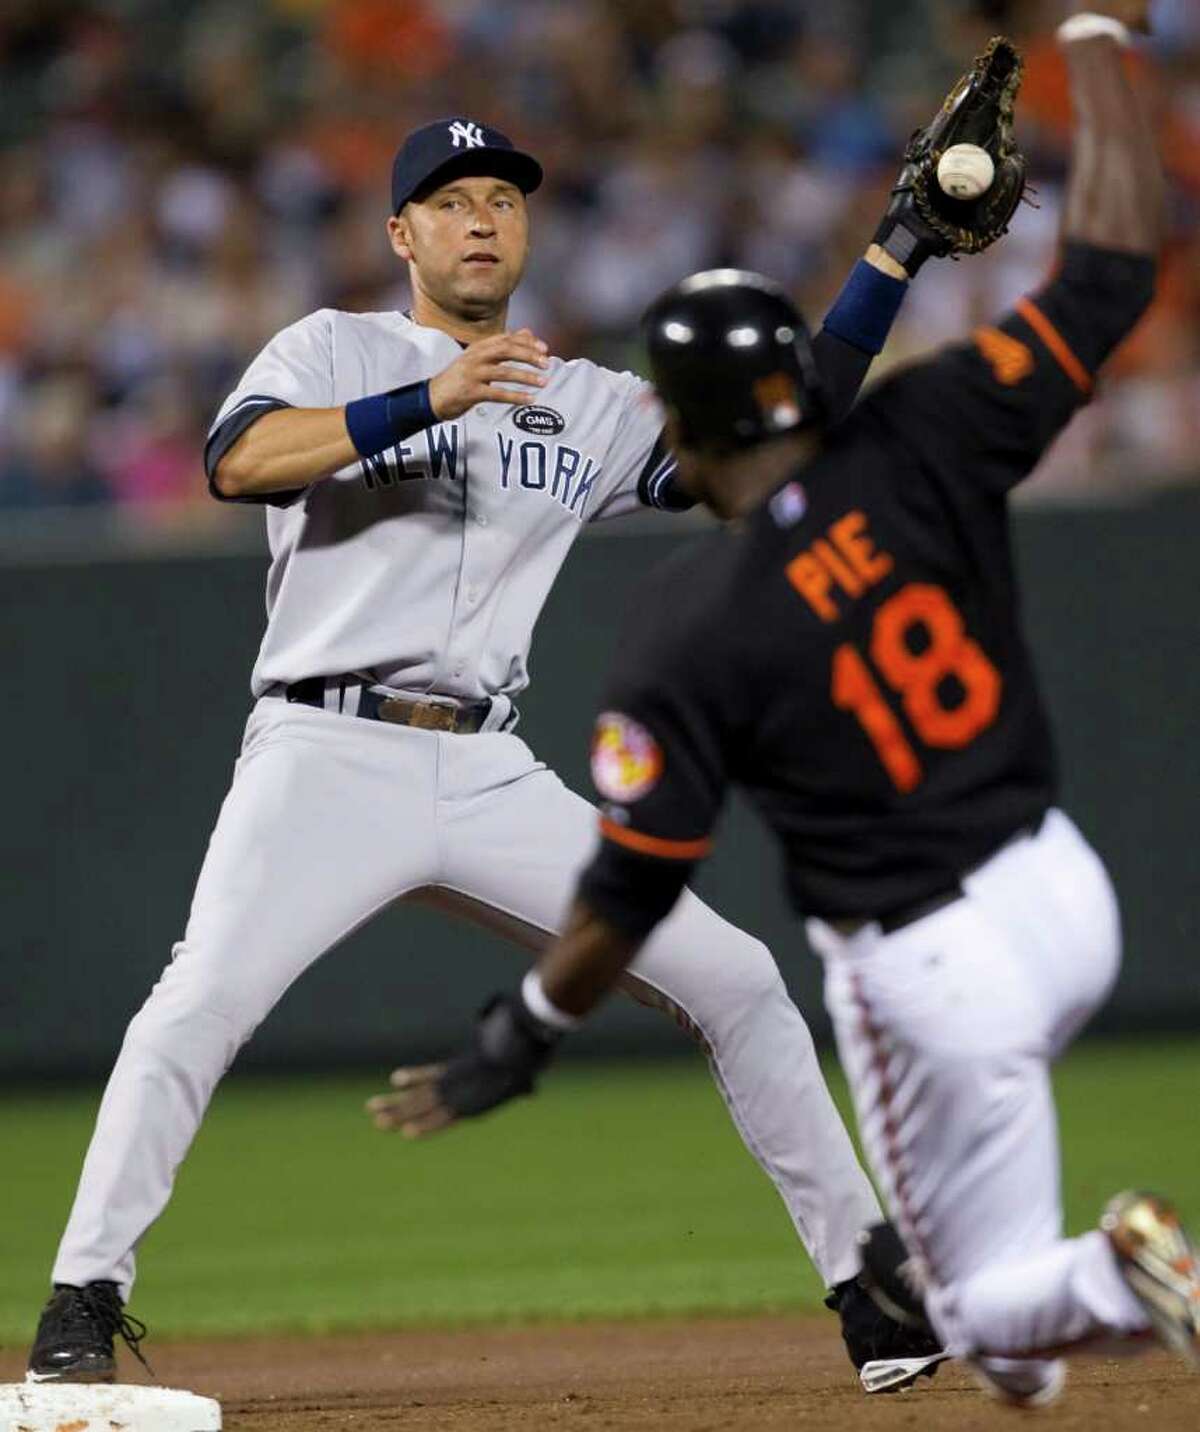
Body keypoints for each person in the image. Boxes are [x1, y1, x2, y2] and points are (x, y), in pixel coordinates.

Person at [25, 72, 1012, 1387]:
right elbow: (238, 462)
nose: (482, 218)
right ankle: (80, 1303)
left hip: (488, 765)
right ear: (404, 237)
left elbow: (780, 442)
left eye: (502, 199)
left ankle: (871, 1303)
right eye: (450, 201)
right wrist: (433, 400)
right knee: (193, 1007)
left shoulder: (587, 401)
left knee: (737, 982)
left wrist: (893, 254)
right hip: (325, 747)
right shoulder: (333, 349)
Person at [374, 5, 1200, 1407]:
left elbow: (632, 890)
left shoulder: (687, 626)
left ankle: (1128, 1273)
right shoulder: (926, 434)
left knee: (967, 1307)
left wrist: (521, 1033)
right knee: (1018, 1349)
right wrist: (1100, 46)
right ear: (802, 386)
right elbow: (1116, 269)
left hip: (934, 973)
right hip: (1065, 896)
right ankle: (1073, 1317)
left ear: (675, 433)